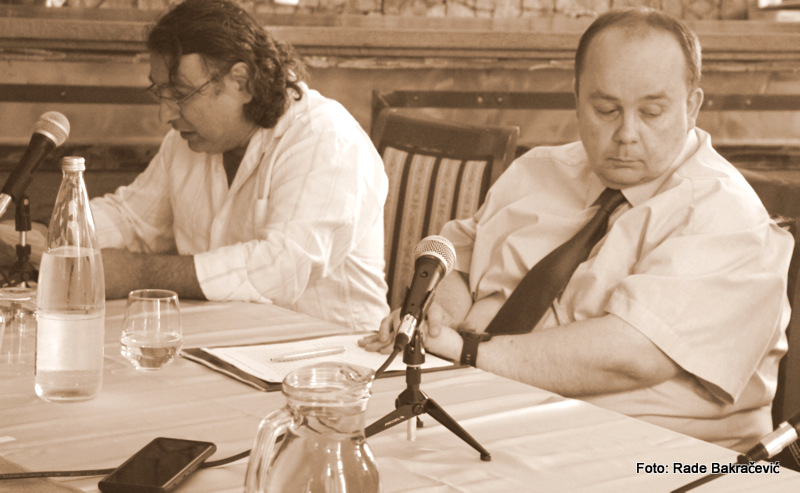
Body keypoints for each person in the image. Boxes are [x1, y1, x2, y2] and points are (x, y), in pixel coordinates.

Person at [361, 7, 794, 453]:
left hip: (657, 457)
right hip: (490, 414)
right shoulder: (538, 171)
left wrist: (468, 351)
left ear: (692, 106)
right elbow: (458, 258)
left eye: (651, 112)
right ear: (577, 97)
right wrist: (441, 314)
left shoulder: (726, 214)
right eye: (606, 109)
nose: (626, 133)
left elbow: (633, 355)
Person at [91, 0, 389, 332]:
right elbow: (132, 219)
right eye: (161, 92)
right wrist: (61, 235)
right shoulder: (188, 141)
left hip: (333, 352)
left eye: (180, 93)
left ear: (242, 82)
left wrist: (139, 274)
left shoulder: (326, 137)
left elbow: (281, 268)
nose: (166, 114)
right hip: (224, 342)